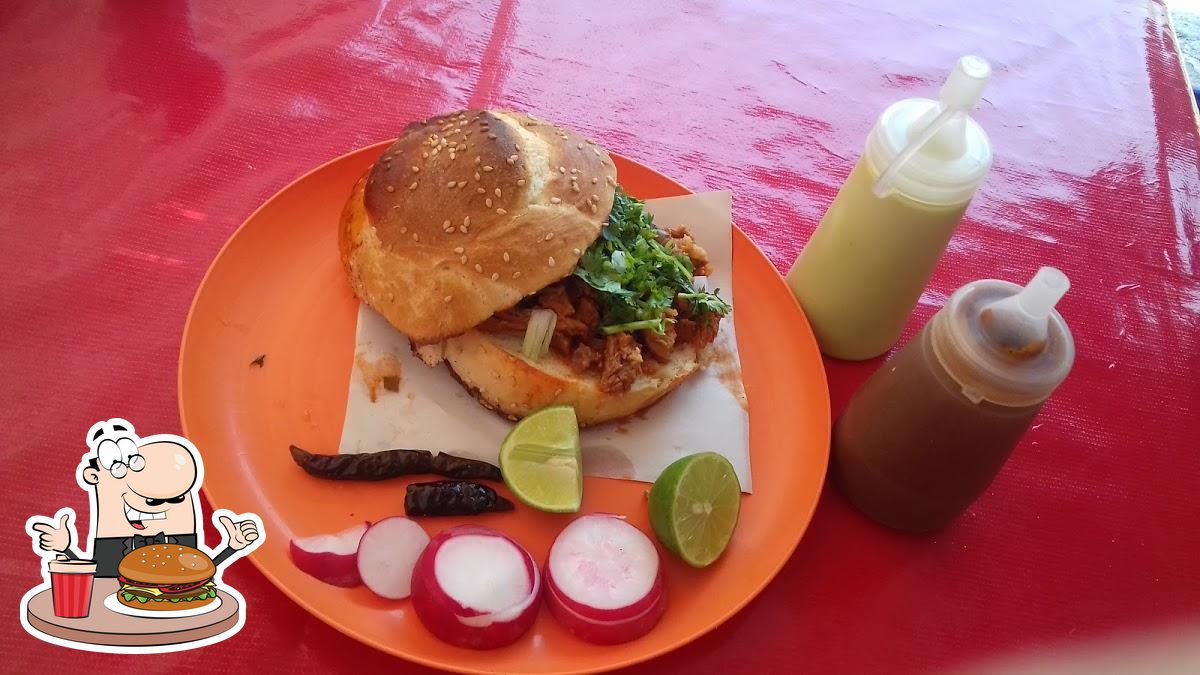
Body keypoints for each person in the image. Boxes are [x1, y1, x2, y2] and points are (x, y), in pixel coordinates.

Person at [28, 419, 259, 578]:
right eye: (152, 500)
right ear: (95, 477)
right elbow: (95, 578)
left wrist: (232, 547)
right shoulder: (112, 538)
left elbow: (199, 573)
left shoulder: (179, 534)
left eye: (177, 498)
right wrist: (65, 549)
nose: (159, 503)